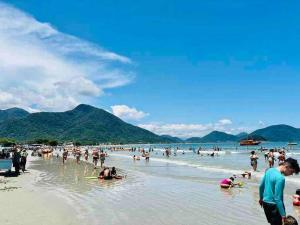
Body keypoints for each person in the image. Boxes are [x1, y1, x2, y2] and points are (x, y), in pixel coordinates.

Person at [259, 158, 300, 225]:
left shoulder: (269, 170)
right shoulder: (280, 178)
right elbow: (277, 198)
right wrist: (283, 215)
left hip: (265, 203)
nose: (291, 174)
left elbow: (261, 186)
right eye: (292, 172)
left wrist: (261, 198)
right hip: (274, 206)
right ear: (287, 167)